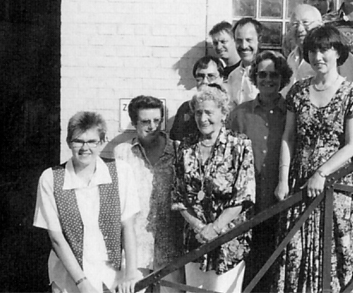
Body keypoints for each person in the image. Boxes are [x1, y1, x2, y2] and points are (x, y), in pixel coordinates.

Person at [273, 25, 353, 292]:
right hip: (299, 184)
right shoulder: (298, 91)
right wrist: (283, 180)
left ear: (338, 52)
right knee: (295, 253)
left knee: (334, 256)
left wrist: (322, 173)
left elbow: (352, 145)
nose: (318, 56)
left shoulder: (351, 94)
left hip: (335, 186)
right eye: (312, 50)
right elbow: (288, 137)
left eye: (324, 49)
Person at [34, 111, 140, 293]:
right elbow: (56, 238)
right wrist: (83, 284)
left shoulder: (121, 172)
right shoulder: (51, 178)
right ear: (68, 142)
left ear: (102, 141)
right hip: (69, 277)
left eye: (92, 141)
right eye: (78, 141)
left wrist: (130, 273)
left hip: (113, 275)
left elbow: (128, 226)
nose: (85, 148)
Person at [171, 84, 256, 293]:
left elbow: (244, 195)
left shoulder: (239, 145)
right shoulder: (186, 147)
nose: (202, 118)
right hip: (195, 240)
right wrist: (200, 228)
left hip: (228, 241)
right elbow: (178, 195)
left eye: (209, 112)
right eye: (198, 113)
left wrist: (215, 228)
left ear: (223, 113)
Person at [228, 50, 293, 292]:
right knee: (249, 265)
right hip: (247, 203)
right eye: (262, 74)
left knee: (274, 262)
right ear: (255, 77)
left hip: (278, 199)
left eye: (274, 75)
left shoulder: (291, 113)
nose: (268, 79)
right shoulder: (240, 114)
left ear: (282, 78)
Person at [114, 96, 185, 291]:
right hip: (135, 249)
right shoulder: (123, 153)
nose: (152, 126)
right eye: (145, 121)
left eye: (157, 120)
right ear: (134, 122)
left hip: (172, 249)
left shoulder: (178, 151)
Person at [283, 4, 353, 95]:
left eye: (305, 22)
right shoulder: (292, 58)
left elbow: (351, 90)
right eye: (295, 24)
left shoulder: (337, 54)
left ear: (320, 25)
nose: (299, 29)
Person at [170, 56, 225, 141]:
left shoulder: (231, 108)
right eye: (200, 77)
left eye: (211, 76)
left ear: (222, 78)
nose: (205, 81)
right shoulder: (185, 109)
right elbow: (176, 140)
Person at [227, 18, 263, 108]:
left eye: (249, 40)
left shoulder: (268, 74)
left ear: (259, 40)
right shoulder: (233, 76)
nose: (243, 46)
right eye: (239, 41)